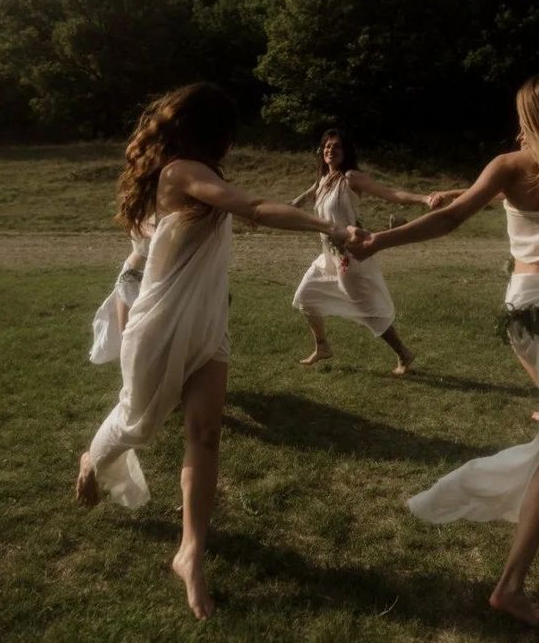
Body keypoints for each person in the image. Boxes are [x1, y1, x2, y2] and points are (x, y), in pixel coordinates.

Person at [347, 72, 539, 626]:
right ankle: (510, 586)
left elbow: (458, 216)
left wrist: (380, 239)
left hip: (526, 308)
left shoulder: (509, 168)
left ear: (528, 119)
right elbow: (534, 209)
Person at [75, 83, 364, 620]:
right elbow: (253, 207)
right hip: (159, 326)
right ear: (217, 135)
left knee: (205, 435)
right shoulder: (181, 172)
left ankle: (190, 552)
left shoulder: (200, 173)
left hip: (209, 325)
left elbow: (245, 209)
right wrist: (329, 225)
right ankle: (94, 457)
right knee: (137, 424)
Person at [291, 129, 434, 374]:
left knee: (368, 311)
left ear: (346, 152)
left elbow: (390, 194)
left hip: (351, 257)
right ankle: (322, 346)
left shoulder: (350, 178)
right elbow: (304, 197)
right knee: (305, 297)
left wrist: (424, 199)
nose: (330, 150)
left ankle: (404, 353)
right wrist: (283, 209)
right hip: (329, 256)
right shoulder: (324, 179)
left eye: (336, 147)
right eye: (326, 146)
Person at [89, 223, 153, 364]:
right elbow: (136, 227)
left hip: (158, 279)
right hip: (134, 278)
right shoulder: (148, 206)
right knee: (130, 346)